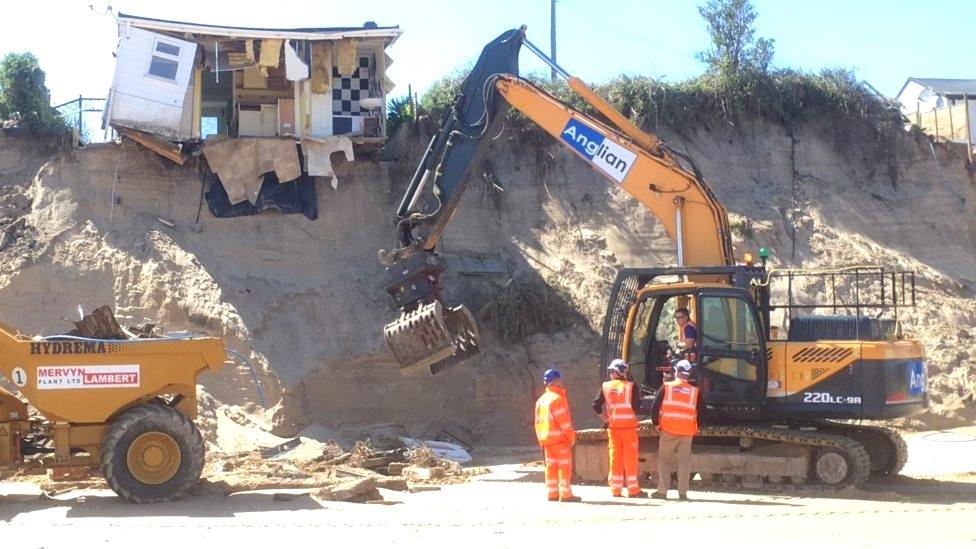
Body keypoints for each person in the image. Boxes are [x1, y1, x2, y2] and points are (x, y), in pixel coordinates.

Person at [649, 359, 703, 501]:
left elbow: (655, 405)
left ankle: (662, 492)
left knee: (664, 461)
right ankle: (683, 493)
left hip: (669, 429)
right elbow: (703, 411)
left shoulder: (667, 387)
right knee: (684, 463)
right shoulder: (694, 391)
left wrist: (655, 423)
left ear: (676, 371)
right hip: (687, 431)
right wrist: (696, 427)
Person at [592, 359, 645, 498]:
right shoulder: (631, 386)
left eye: (611, 371)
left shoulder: (606, 386)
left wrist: (606, 419)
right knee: (630, 458)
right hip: (629, 428)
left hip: (614, 428)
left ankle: (615, 489)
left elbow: (595, 405)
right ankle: (633, 490)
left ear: (616, 372)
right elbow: (637, 406)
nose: (610, 374)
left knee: (615, 458)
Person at [535, 368, 581, 503]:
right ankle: (566, 494)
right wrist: (571, 437)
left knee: (551, 468)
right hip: (559, 440)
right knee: (564, 467)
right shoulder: (558, 399)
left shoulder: (541, 400)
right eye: (560, 379)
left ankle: (552, 493)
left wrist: (540, 441)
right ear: (555, 381)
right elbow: (564, 423)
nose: (562, 381)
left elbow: (537, 423)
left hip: (546, 441)